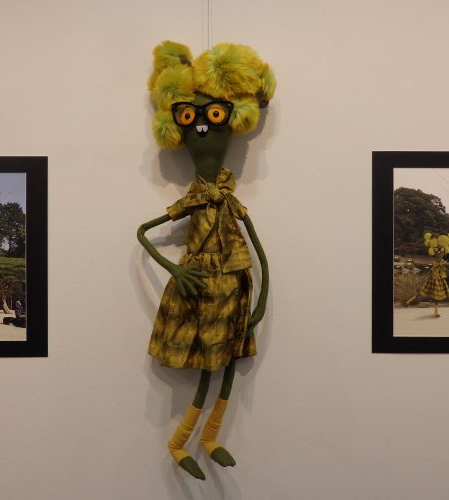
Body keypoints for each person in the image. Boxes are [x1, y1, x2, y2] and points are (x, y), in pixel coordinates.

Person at [137, 41, 274, 480]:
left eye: (212, 116)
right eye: (189, 118)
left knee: (229, 364)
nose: (200, 127)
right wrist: (175, 268)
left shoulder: (229, 202)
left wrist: (260, 304)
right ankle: (180, 442)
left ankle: (211, 438)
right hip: (201, 288)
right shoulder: (195, 201)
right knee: (207, 367)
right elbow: (143, 232)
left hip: (234, 287)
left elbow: (259, 254)